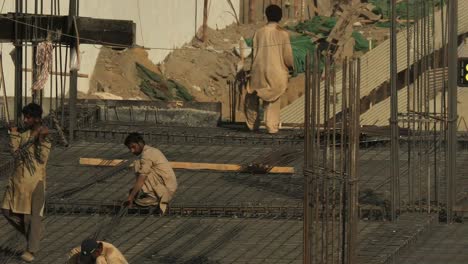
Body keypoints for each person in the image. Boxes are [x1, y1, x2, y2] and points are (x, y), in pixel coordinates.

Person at [1, 103, 51, 262]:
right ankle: (34, 235)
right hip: (17, 181)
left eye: (28, 117)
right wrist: (14, 134)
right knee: (6, 211)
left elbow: (42, 158)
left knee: (31, 217)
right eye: (25, 117)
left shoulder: (44, 135)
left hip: (35, 181)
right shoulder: (24, 135)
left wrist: (41, 140)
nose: (25, 120)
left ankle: (32, 249)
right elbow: (15, 153)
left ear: (37, 118)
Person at [245, 4, 294, 134]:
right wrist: (291, 67)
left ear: (266, 16)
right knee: (272, 99)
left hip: (258, 70)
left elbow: (254, 53)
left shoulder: (259, 32)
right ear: (280, 17)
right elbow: (287, 55)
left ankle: (251, 125)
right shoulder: (283, 34)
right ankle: (271, 126)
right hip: (275, 72)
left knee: (253, 97)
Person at [123, 133, 177, 214]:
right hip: (164, 185)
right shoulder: (149, 151)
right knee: (139, 164)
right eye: (130, 148)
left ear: (140, 143)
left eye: (133, 147)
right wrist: (134, 192)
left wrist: (131, 197)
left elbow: (142, 178)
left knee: (140, 168)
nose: (132, 151)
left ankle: (153, 197)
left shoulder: (148, 153)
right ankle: (152, 195)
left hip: (166, 188)